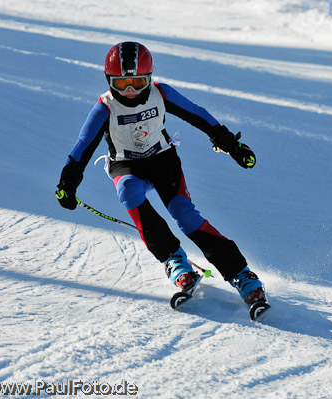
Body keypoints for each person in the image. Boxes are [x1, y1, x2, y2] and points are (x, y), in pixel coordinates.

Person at [55, 41, 266, 305]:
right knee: (129, 190)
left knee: (185, 216)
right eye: (121, 84)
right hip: (126, 164)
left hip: (162, 160)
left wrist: (231, 145)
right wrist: (68, 182)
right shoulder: (105, 107)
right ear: (109, 81)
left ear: (150, 79)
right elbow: (82, 147)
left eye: (138, 83)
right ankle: (174, 259)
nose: (130, 91)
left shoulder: (161, 94)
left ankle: (241, 274)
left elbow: (197, 115)